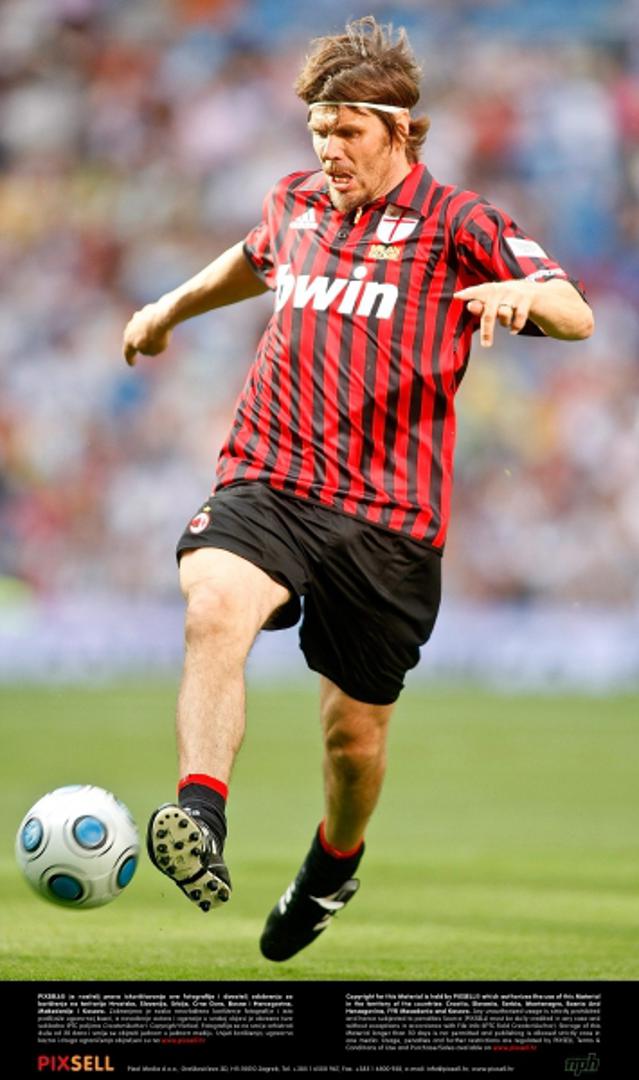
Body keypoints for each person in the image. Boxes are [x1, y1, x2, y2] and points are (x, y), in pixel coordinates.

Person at [122, 17, 593, 963]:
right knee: (214, 605)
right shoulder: (294, 201)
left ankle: (334, 864)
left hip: (388, 520)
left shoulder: (460, 221)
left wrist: (521, 297)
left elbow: (573, 312)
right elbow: (254, 258)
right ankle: (200, 813)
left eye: (347, 131)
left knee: (352, 740)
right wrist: (168, 308)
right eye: (318, 130)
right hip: (270, 475)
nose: (328, 149)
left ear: (399, 130)